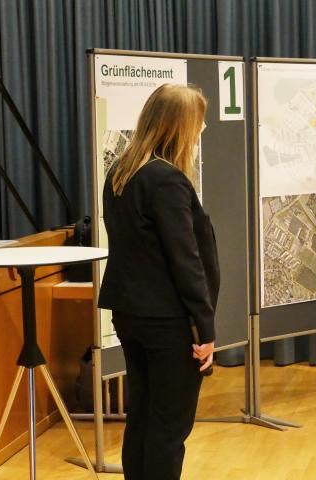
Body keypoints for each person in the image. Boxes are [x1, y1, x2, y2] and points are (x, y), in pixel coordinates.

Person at [98, 83, 219, 479]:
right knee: (169, 427)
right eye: (199, 123)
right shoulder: (166, 179)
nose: (201, 132)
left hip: (129, 314)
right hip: (167, 322)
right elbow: (186, 261)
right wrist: (205, 329)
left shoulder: (120, 172)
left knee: (143, 418)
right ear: (180, 126)